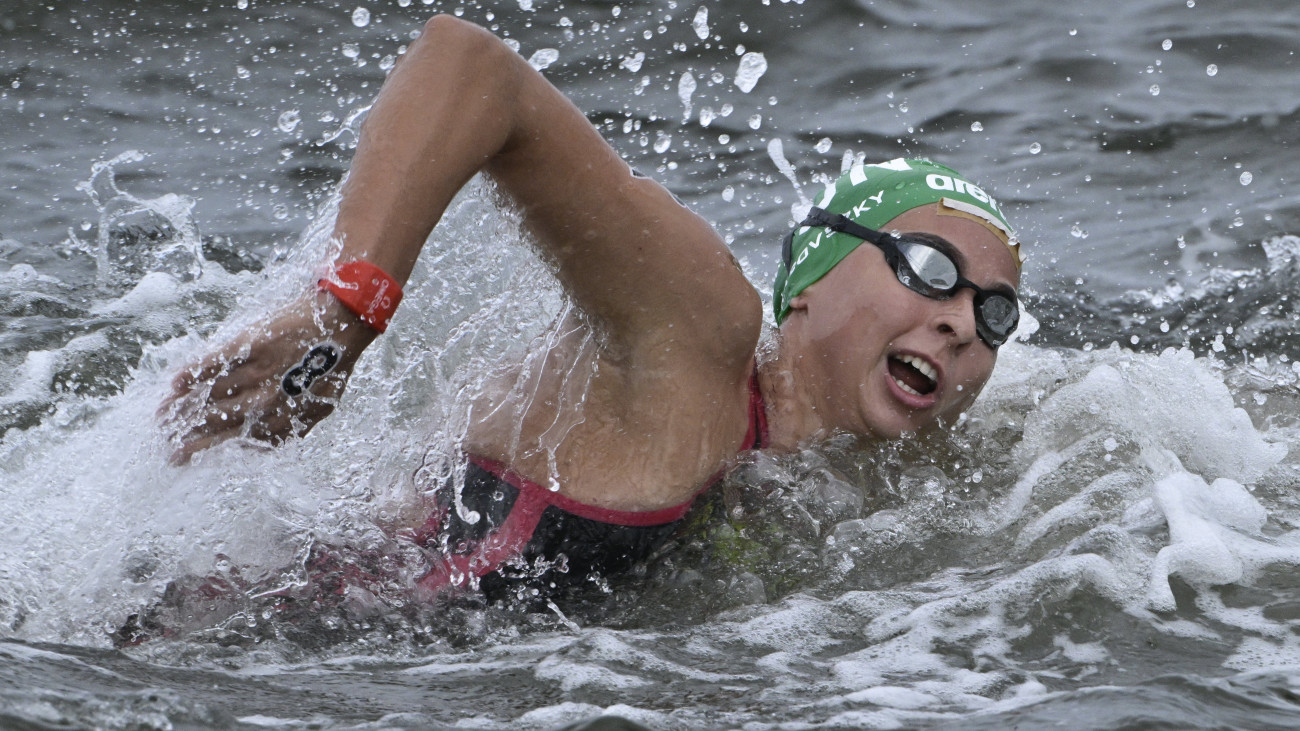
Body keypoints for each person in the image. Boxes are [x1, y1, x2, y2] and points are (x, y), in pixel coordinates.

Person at [161, 15, 1022, 602]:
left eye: (994, 315)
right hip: (242, 645)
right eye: (928, 267)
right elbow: (470, 66)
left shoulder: (880, 475)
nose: (958, 320)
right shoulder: (697, 332)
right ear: (811, 276)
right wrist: (344, 316)